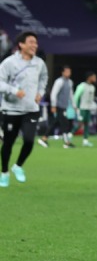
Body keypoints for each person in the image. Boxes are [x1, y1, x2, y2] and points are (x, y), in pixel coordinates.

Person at [0, 32, 48, 187]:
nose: (35, 45)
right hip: (11, 109)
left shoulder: (39, 63)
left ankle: (18, 166)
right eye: (31, 42)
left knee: (29, 140)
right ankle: (5, 172)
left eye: (36, 43)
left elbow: (43, 78)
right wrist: (14, 91)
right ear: (21, 44)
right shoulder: (9, 63)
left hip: (31, 109)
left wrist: (40, 92)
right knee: (8, 143)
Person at [48, 66, 74, 147]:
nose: (68, 73)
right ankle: (66, 142)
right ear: (62, 72)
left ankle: (44, 138)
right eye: (66, 71)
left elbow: (71, 95)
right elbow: (53, 94)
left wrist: (74, 105)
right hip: (58, 106)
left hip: (64, 106)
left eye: (69, 72)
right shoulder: (59, 81)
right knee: (64, 124)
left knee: (57, 122)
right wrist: (53, 105)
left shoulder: (70, 82)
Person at [73, 71, 97, 147]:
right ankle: (69, 135)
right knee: (80, 124)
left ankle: (85, 141)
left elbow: (91, 99)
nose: (95, 78)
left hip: (88, 109)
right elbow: (76, 97)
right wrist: (75, 107)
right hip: (82, 108)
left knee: (86, 125)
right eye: (94, 77)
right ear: (89, 77)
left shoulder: (93, 87)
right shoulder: (82, 86)